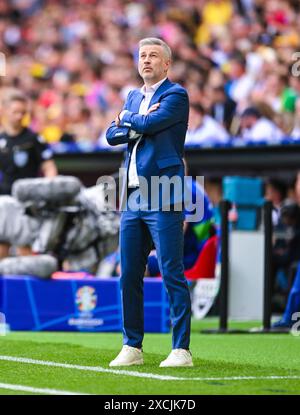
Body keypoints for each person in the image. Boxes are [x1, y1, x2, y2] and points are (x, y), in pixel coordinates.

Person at [106, 37, 193, 367]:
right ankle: (132, 346)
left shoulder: (176, 95)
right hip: (133, 197)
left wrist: (128, 120)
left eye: (154, 55)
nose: (146, 60)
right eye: (142, 55)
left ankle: (181, 349)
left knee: (171, 271)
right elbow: (111, 135)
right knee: (128, 272)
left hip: (163, 192)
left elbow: (149, 124)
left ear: (166, 63)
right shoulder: (132, 96)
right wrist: (132, 119)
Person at [0, 90, 58, 258]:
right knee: (2, 246)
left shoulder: (34, 139)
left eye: (23, 113)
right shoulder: (1, 139)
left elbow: (49, 167)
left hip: (27, 203)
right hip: (4, 200)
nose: (19, 116)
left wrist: (49, 189)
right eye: (15, 112)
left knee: (24, 247)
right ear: (4, 111)